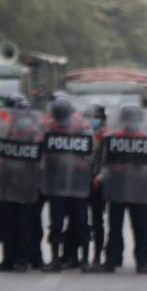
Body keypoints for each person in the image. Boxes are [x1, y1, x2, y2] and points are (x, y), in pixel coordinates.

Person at [97, 104, 147, 273]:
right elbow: (105, 162)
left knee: (141, 228)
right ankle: (112, 259)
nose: (134, 123)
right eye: (131, 120)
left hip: (140, 189)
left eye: (137, 120)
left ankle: (142, 260)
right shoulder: (113, 139)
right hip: (118, 188)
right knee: (115, 227)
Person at [0, 98, 42, 273]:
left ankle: (22, 259)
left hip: (27, 187)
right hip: (7, 186)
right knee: (7, 224)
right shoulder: (7, 133)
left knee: (25, 225)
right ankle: (8, 259)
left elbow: (41, 162)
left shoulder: (36, 135)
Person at [41, 97, 93, 271]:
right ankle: (55, 258)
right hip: (56, 183)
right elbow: (41, 154)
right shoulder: (49, 129)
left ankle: (84, 259)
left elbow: (92, 153)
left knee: (81, 222)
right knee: (55, 223)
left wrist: (84, 163)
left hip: (78, 184)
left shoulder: (83, 129)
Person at [82, 103, 108, 271]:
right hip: (81, 183)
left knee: (98, 221)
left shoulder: (107, 138)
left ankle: (97, 256)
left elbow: (108, 161)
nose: (94, 121)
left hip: (99, 184)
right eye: (91, 118)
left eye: (97, 118)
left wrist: (99, 177)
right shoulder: (80, 135)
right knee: (81, 221)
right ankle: (82, 257)